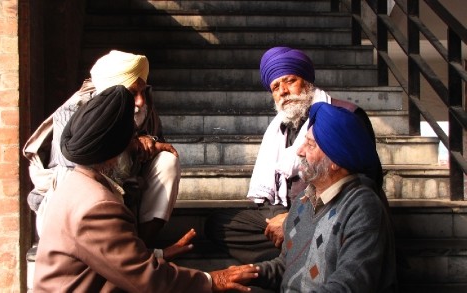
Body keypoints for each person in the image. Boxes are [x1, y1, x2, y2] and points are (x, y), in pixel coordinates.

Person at [33, 85, 260, 292]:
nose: (136, 149)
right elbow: (148, 279)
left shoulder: (77, 183)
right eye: (131, 140)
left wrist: (157, 254)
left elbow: (109, 256)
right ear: (116, 153)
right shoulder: (98, 205)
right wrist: (211, 280)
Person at [204, 47, 388, 263]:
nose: (282, 91)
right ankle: (298, 255)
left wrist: (294, 220)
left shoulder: (343, 115)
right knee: (219, 224)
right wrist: (279, 218)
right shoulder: (280, 128)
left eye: (290, 81)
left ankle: (291, 260)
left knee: (317, 233)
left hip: (330, 213)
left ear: (307, 82)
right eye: (275, 87)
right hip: (289, 214)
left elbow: (364, 181)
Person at [24, 50, 179, 247]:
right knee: (92, 176)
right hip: (77, 201)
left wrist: (150, 140)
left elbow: (155, 143)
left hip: (126, 190)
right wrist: (131, 144)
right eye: (132, 93)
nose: (141, 101)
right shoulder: (74, 112)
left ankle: (143, 247)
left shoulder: (143, 107)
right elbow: (79, 165)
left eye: (143, 91)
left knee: (167, 161)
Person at [250, 102, 397, 292]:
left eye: (310, 145)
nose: (299, 151)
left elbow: (348, 286)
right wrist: (249, 273)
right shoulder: (303, 201)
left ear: (335, 159)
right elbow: (286, 266)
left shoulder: (363, 207)